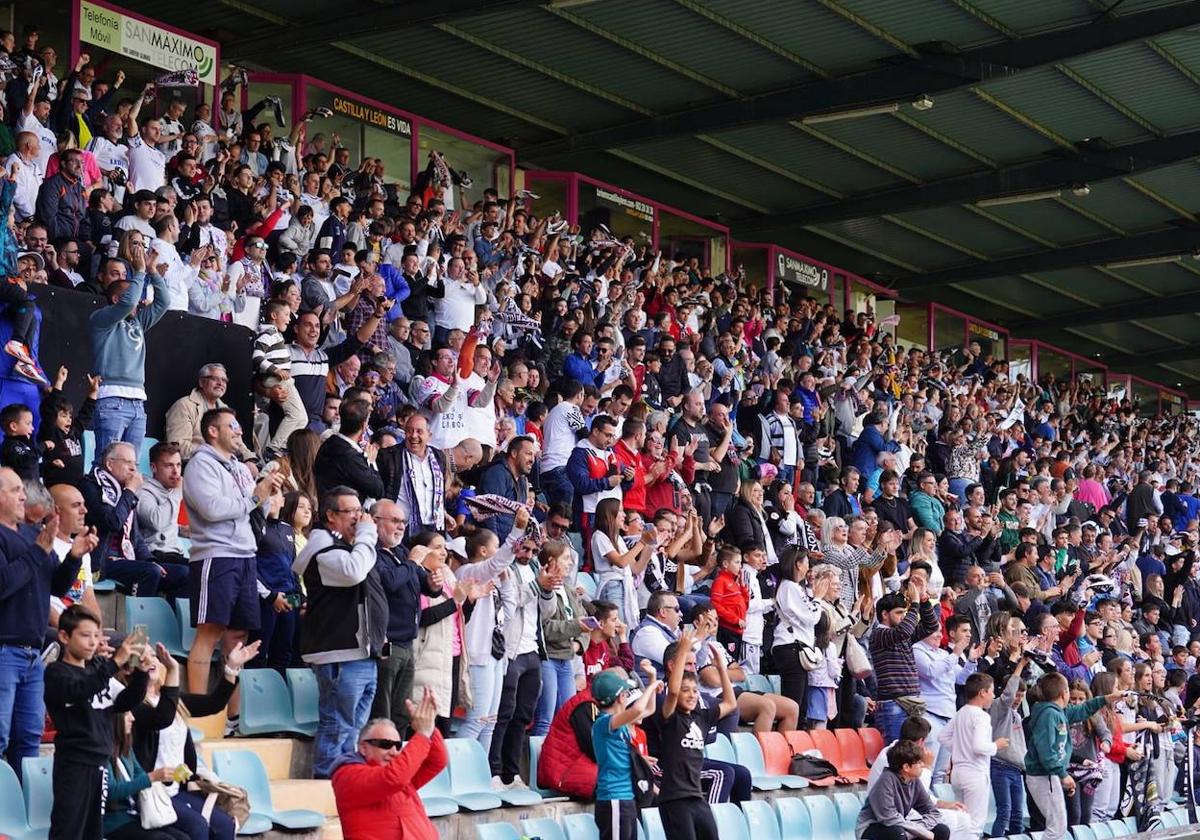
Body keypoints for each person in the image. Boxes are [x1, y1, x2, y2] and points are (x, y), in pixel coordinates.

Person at [181, 407, 282, 732]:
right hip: (216, 555)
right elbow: (212, 510)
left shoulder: (239, 467)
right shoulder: (200, 465)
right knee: (210, 631)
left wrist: (268, 494)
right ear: (213, 431)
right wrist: (256, 495)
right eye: (233, 426)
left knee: (238, 637)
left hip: (245, 555)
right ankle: (196, 715)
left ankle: (232, 718)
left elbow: (251, 510)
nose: (240, 431)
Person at [294, 485, 387, 778]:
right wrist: (367, 536)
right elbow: (353, 571)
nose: (359, 519)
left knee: (353, 728)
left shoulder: (348, 546)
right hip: (339, 653)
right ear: (330, 516)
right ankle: (326, 784)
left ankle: (343, 784)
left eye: (360, 511)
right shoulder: (323, 550)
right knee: (337, 725)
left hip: (362, 652)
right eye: (350, 512)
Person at [0, 466, 89, 770]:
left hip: (32, 654)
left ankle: (16, 810)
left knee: (28, 738)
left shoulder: (30, 533)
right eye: (15, 490)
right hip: (4, 651)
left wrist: (74, 556)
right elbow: (3, 584)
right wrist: (39, 550)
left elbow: (57, 585)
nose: (23, 496)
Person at [44, 606, 151, 840]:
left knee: (93, 832)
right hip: (74, 765)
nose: (92, 642)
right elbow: (79, 689)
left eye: (96, 635)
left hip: (99, 764)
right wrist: (113, 663)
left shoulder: (97, 671)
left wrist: (142, 673)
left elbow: (125, 702)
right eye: (85, 635)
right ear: (64, 636)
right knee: (68, 831)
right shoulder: (57, 673)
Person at [656, 628, 737, 840]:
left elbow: (730, 703)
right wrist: (682, 651)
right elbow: (672, 692)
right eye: (686, 690)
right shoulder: (670, 716)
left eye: (694, 690)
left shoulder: (701, 717)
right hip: (674, 799)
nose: (691, 695)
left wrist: (721, 669)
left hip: (696, 798)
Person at [88, 245, 169, 457]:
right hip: (111, 399)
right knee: (107, 463)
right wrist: (140, 271)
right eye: (130, 295)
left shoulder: (138, 322)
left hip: (137, 404)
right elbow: (129, 302)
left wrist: (152, 271)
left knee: (129, 466)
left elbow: (164, 302)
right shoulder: (101, 319)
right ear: (116, 299)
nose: (137, 300)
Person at [330, 692, 446, 840]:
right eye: (385, 744)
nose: (394, 752)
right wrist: (423, 734)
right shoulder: (347, 774)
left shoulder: (400, 773)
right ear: (363, 748)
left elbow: (437, 761)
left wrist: (428, 727)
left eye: (398, 746)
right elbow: (393, 779)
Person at [81, 441, 188, 598]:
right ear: (110, 464)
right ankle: (140, 620)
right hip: (101, 561)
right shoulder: (91, 486)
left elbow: (136, 537)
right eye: (128, 462)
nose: (133, 468)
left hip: (126, 558)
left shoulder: (124, 493)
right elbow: (113, 522)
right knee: (149, 572)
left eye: (135, 463)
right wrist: (130, 490)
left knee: (183, 573)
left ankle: (170, 619)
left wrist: (150, 560)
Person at [1025, 672, 1123, 840]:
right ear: (1064, 693)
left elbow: (1084, 709)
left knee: (1059, 826)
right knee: (1057, 827)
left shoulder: (1060, 712)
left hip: (1050, 775)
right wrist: (1063, 775)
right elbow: (1047, 752)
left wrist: (1107, 698)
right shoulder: (1049, 714)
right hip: (1043, 776)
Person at [592, 664, 660, 840]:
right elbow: (637, 709)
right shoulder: (603, 723)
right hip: (613, 798)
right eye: (625, 693)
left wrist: (652, 677)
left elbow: (649, 709)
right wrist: (652, 686)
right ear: (620, 697)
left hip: (627, 797)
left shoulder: (619, 722)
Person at [936, 672, 1007, 839]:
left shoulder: (961, 712)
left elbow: (942, 736)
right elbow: (979, 746)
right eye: (991, 691)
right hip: (974, 774)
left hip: (958, 774)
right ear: (982, 692)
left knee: (961, 822)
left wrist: (961, 749)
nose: (993, 695)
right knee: (974, 826)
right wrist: (996, 745)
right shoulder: (981, 716)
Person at [857, 739, 951, 840]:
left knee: (941, 830)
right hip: (872, 827)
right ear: (906, 767)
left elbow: (933, 812)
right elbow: (889, 818)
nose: (923, 765)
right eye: (919, 763)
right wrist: (919, 831)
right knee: (897, 834)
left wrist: (921, 829)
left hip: (901, 826)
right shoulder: (886, 780)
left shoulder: (914, 781)